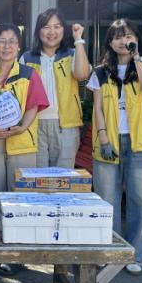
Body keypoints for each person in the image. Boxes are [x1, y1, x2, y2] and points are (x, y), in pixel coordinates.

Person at [0, 23, 49, 275]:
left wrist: (22, 127)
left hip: (21, 141)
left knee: (18, 198)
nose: (7, 46)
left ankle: (16, 255)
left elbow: (34, 105)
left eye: (12, 41)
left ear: (18, 46)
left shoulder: (29, 74)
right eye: (2, 41)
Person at [87, 19, 142, 275]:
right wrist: (104, 139)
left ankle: (135, 254)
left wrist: (136, 58)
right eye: (117, 37)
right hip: (109, 140)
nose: (123, 41)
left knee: (139, 200)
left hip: (140, 141)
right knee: (108, 199)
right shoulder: (100, 72)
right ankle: (111, 252)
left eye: (128, 36)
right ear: (110, 42)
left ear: (136, 39)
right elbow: (97, 109)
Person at [20, 9, 91, 168]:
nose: (52, 32)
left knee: (63, 177)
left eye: (57, 27)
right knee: (38, 176)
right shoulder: (27, 58)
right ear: (38, 31)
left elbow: (82, 75)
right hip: (34, 124)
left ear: (64, 30)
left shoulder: (72, 54)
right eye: (46, 27)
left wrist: (78, 40)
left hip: (66, 126)